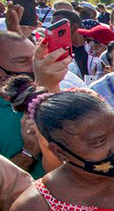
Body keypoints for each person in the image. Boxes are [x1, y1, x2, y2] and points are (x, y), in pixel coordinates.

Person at [0, 32, 71, 178]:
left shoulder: (58, 92)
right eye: (22, 61)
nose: (34, 66)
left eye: (35, 59)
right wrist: (28, 151)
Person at [50, 9, 89, 80]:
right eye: (52, 26)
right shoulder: (55, 54)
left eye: (57, 25)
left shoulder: (95, 48)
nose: (53, 30)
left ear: (74, 27)